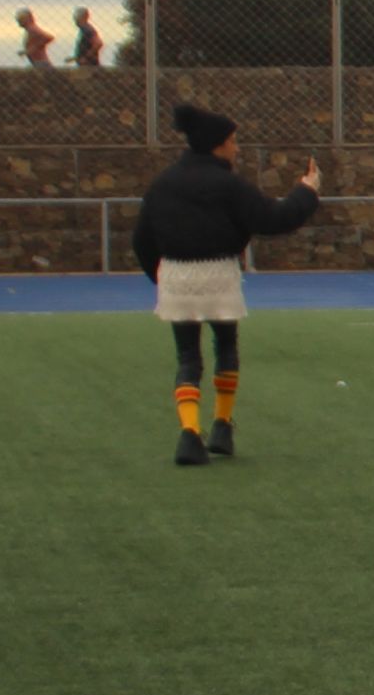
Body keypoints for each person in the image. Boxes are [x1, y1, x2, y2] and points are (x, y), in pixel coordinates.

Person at [129, 103, 319, 466]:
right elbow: (272, 218)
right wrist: (306, 191)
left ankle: (189, 432)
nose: (236, 148)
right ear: (216, 144)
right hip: (218, 273)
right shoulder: (228, 184)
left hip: (177, 276)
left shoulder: (162, 184)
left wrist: (161, 277)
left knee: (188, 357)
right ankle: (222, 425)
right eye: (232, 141)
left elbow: (142, 239)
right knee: (226, 347)